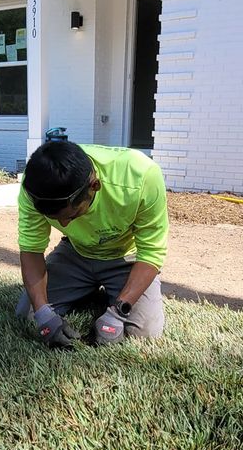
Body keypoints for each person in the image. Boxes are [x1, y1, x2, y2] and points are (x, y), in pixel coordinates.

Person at [17, 141, 168, 348]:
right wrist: (43, 313)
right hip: (75, 252)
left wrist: (118, 311)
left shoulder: (141, 176)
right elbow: (31, 249)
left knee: (144, 333)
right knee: (29, 315)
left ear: (94, 186)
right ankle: (90, 291)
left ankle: (108, 295)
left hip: (125, 257)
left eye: (72, 215)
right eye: (54, 218)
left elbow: (151, 252)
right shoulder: (35, 186)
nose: (63, 224)